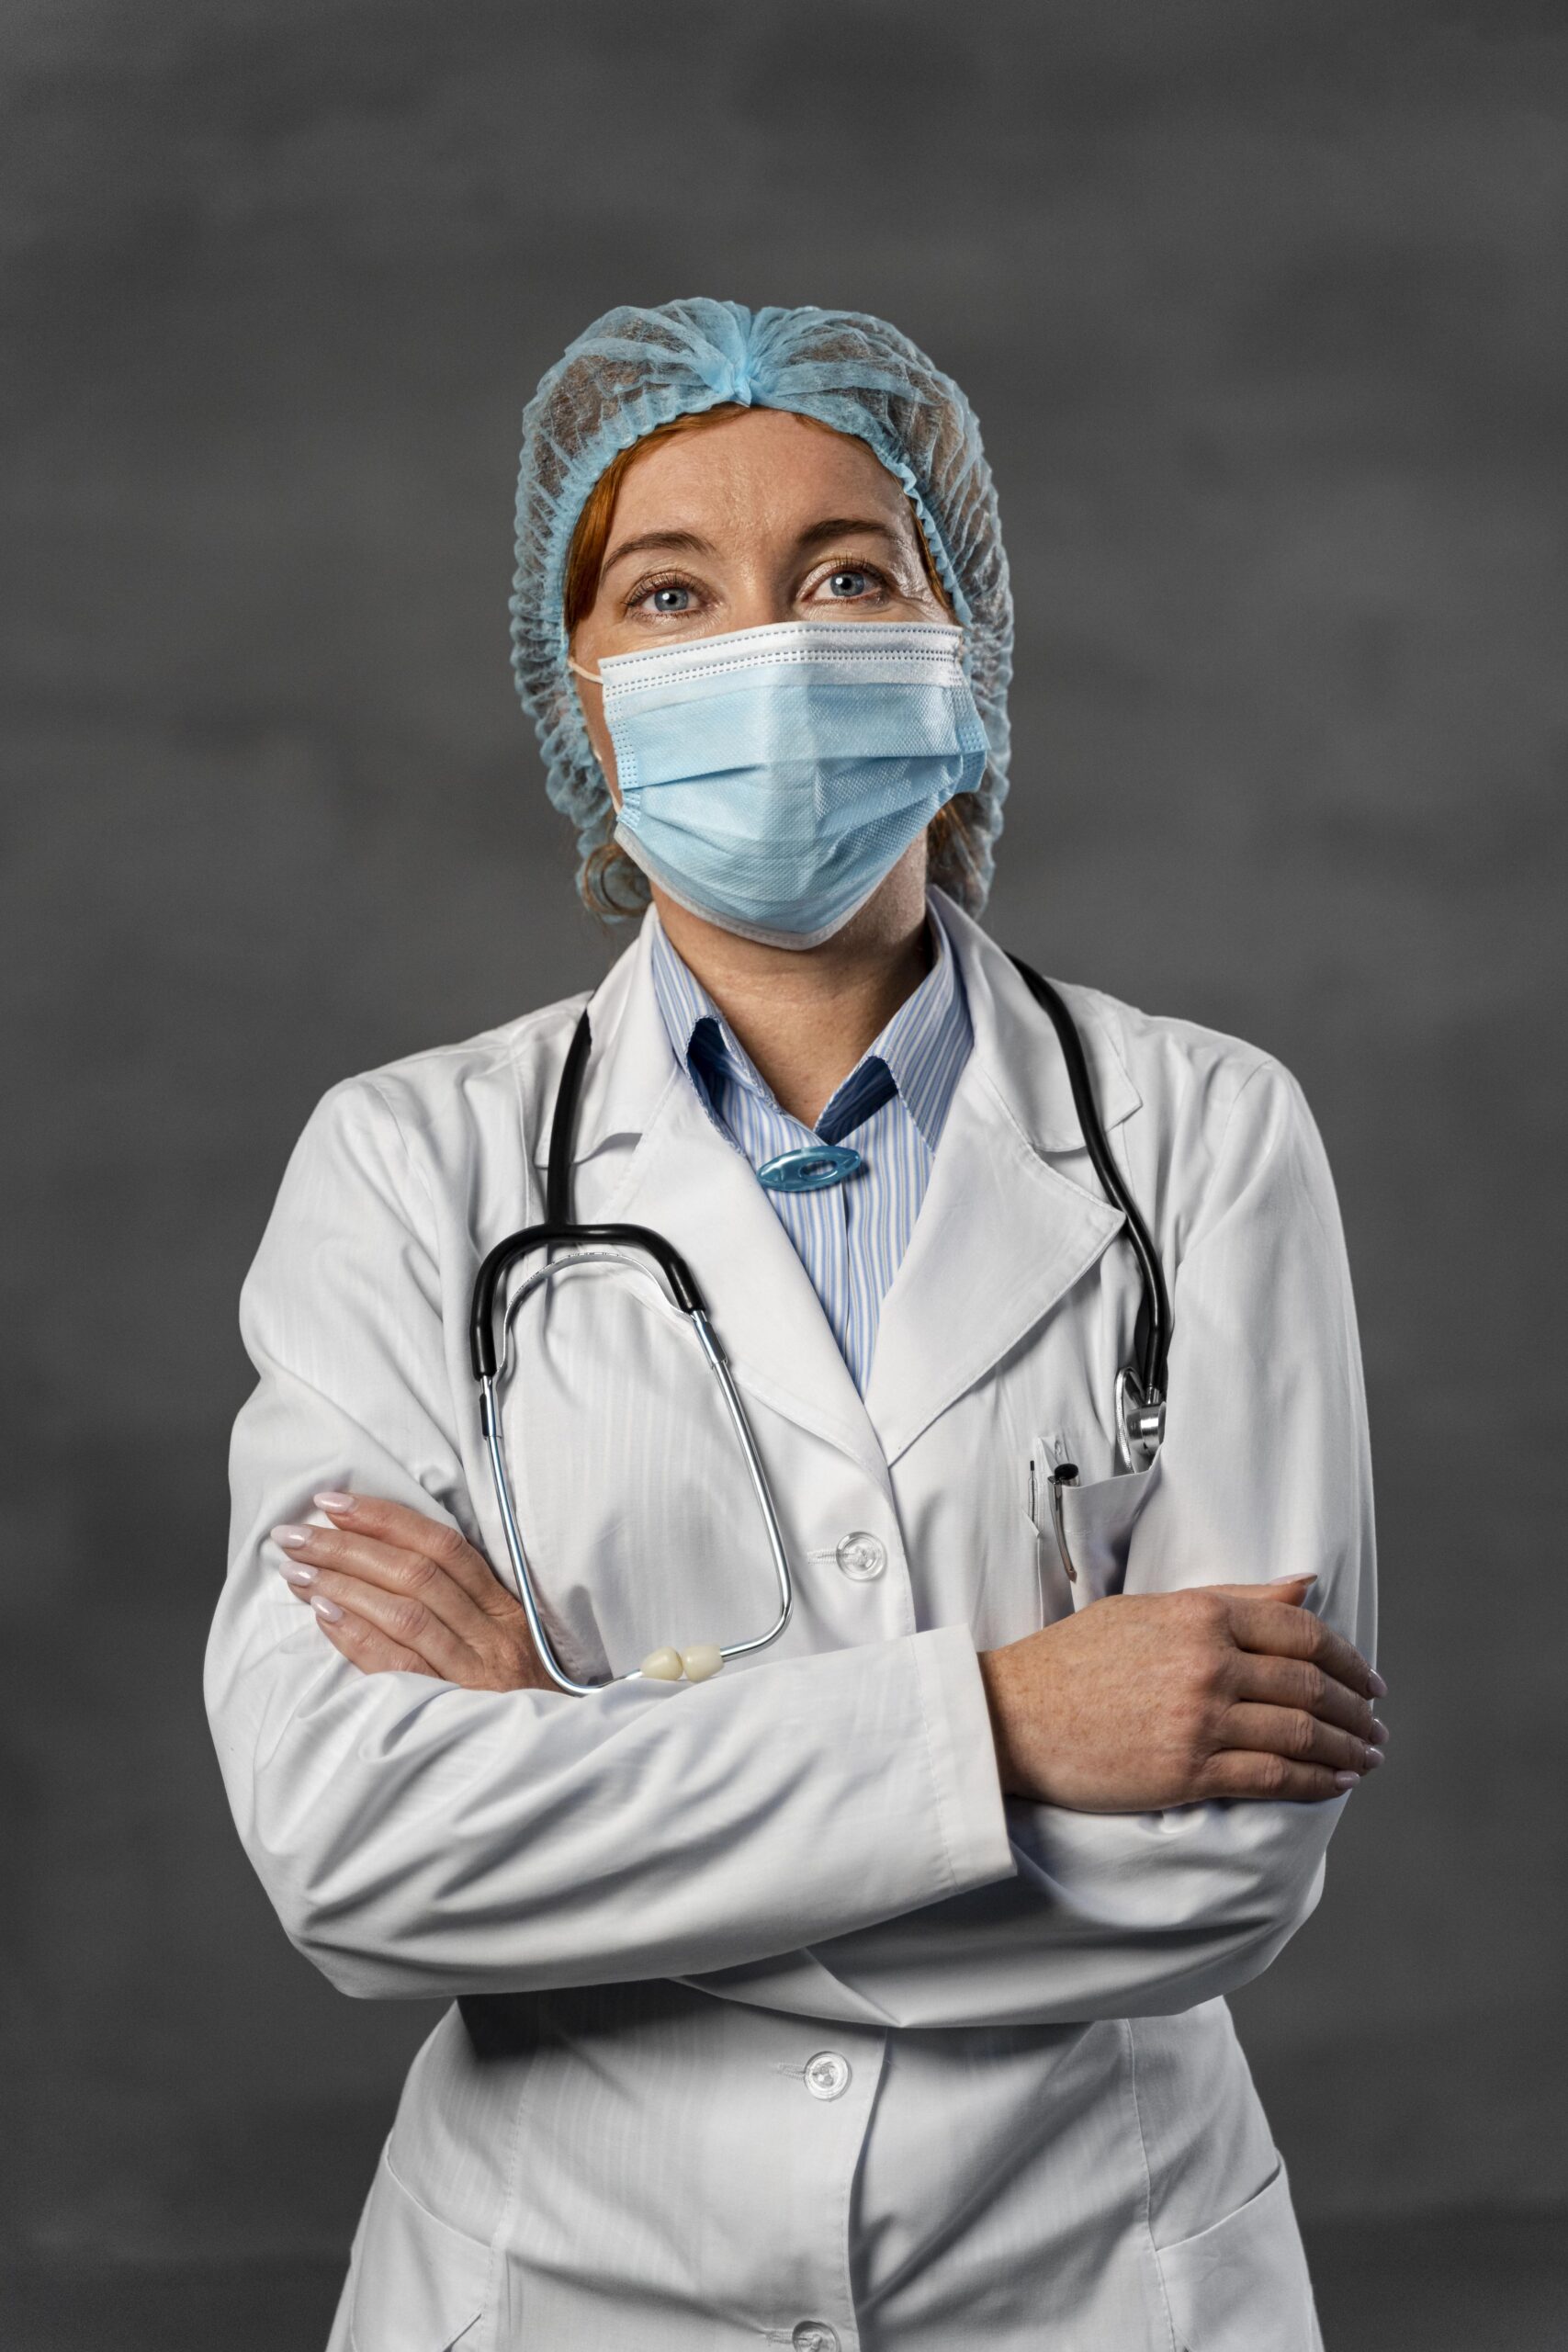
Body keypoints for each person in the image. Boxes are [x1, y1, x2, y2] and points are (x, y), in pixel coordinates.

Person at [206, 300, 1382, 2352]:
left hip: (1088, 2280)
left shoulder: (1201, 1135)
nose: (767, 644)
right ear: (576, 682)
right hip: (568, 2283)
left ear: (964, 639)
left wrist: (568, 1753)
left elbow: (1219, 1870)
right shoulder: (405, 1165)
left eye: (849, 572)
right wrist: (1006, 1728)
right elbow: (351, 1846)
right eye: (668, 590)